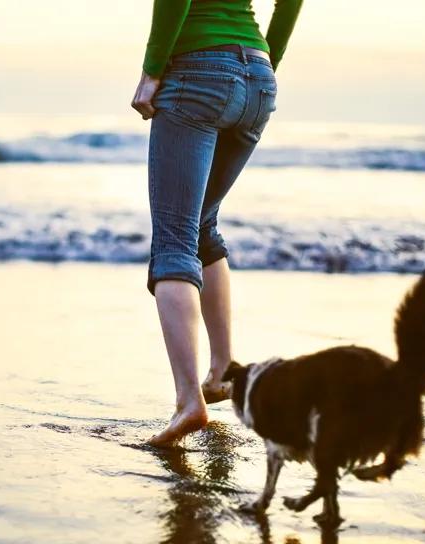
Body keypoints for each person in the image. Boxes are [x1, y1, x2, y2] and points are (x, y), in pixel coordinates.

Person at [131, 0, 303, 447]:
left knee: (173, 241)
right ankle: (222, 368)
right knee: (201, 225)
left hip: (196, 73)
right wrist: (267, 59)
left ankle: (189, 401)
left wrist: (152, 70)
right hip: (258, 78)